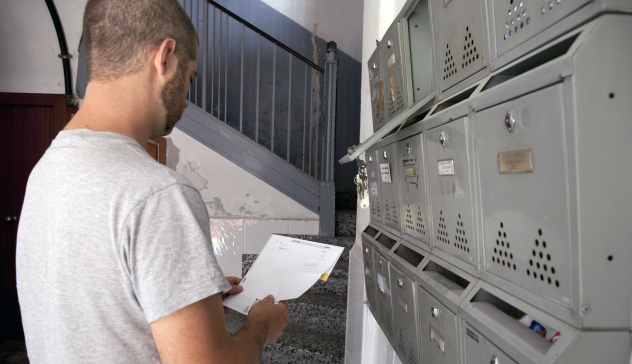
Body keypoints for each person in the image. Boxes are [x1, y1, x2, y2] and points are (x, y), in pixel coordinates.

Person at [15, 0, 288, 363]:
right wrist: (260, 328)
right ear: (165, 57)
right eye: (190, 78)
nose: (187, 100)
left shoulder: (45, 171)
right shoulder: (159, 194)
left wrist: (187, 301)